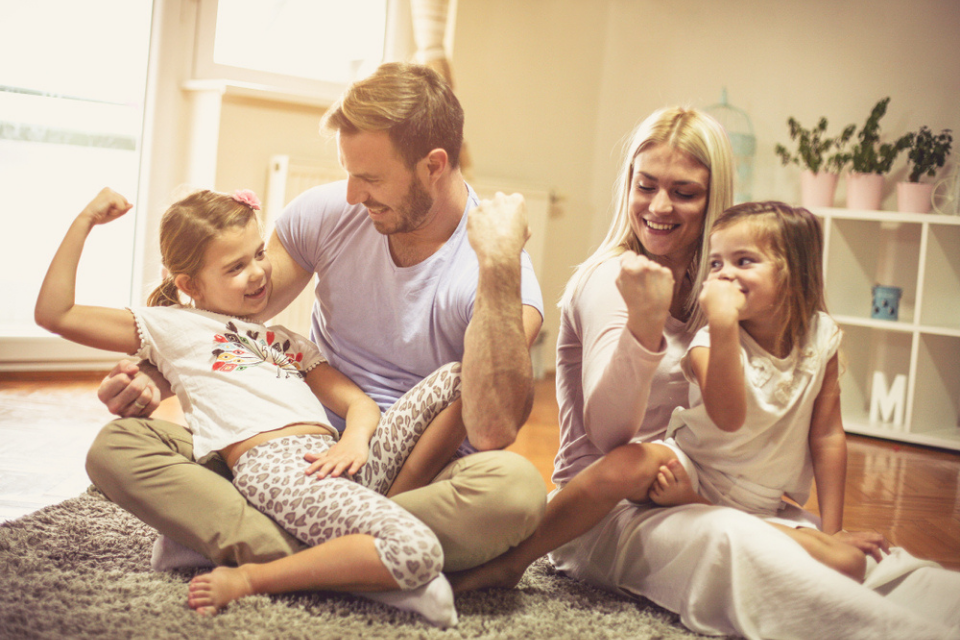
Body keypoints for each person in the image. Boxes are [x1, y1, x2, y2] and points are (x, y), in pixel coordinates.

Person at [458, 107, 960, 639]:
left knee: (860, 560)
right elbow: (612, 439)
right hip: (607, 511)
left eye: (684, 192)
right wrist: (645, 326)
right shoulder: (614, 277)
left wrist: (827, 530)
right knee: (742, 546)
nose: (659, 206)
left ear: (714, 197)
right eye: (645, 185)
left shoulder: (728, 290)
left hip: (709, 490)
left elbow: (797, 415)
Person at [85, 62, 547, 583]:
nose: (352, 194)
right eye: (349, 172)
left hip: (416, 477)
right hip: (288, 449)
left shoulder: (497, 271)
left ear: (433, 165)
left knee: (515, 491)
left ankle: (265, 545)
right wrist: (155, 375)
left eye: (370, 178)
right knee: (118, 447)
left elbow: (492, 427)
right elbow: (234, 316)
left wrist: (501, 265)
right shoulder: (330, 213)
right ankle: (359, 561)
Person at [36, 186, 469, 626]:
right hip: (276, 468)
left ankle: (376, 522)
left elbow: (358, 402)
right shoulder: (171, 326)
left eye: (259, 254)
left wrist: (354, 441)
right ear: (189, 284)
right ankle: (255, 578)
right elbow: (57, 314)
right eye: (236, 267)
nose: (259, 272)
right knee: (419, 550)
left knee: (458, 377)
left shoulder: (282, 339)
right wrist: (86, 219)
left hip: (338, 458)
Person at [453, 200, 866, 590]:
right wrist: (722, 324)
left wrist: (834, 528)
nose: (724, 275)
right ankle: (514, 561)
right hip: (693, 466)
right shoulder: (710, 340)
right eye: (717, 263)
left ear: (794, 273)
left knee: (846, 563)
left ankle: (710, 510)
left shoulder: (821, 337)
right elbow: (727, 416)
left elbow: (827, 435)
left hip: (761, 497)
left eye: (744, 262)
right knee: (628, 462)